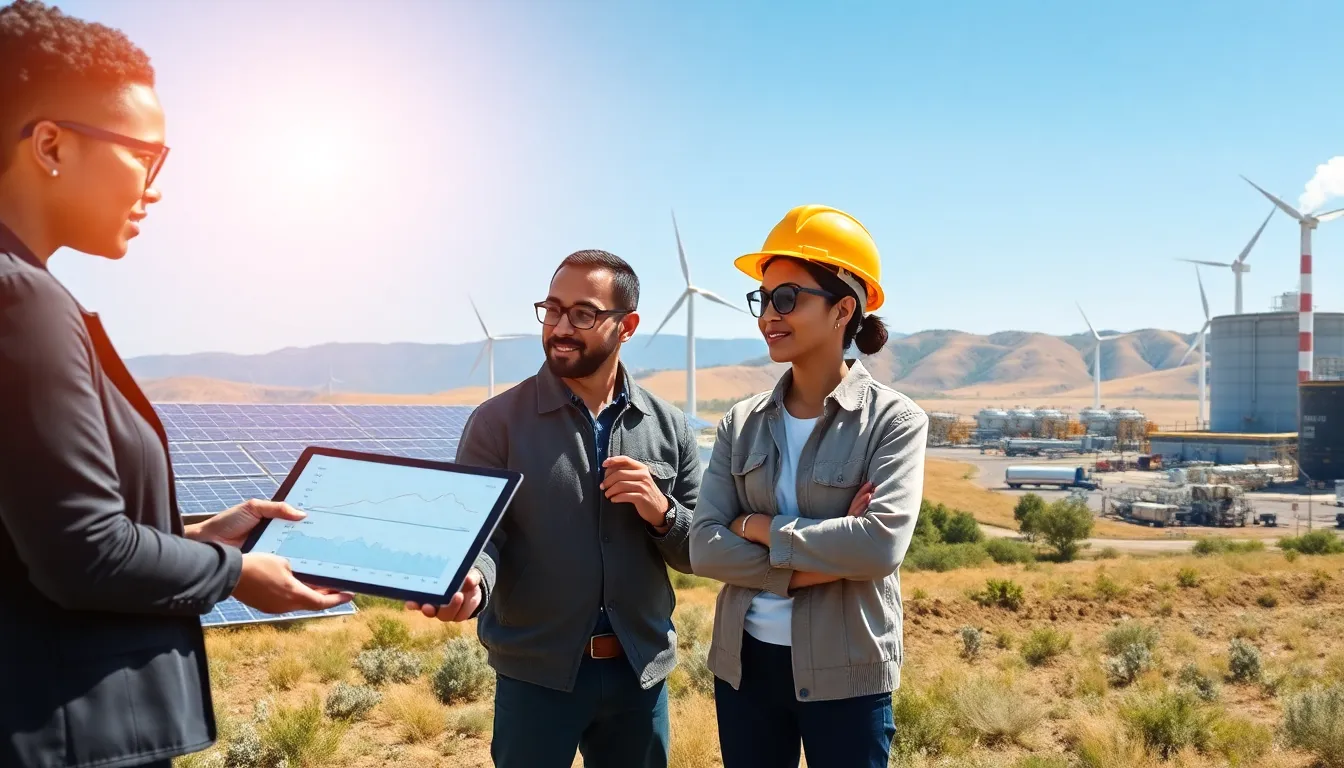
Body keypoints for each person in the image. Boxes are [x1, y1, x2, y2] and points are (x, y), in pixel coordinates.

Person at [0, 3, 352, 766]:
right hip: (68, 736)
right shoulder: (21, 299)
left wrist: (191, 538)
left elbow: (32, 535)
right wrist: (236, 572)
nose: (155, 188)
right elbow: (83, 553)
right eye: (144, 156)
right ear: (51, 145)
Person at [408, 250, 701, 768]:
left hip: (641, 674)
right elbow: (480, 536)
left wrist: (661, 512)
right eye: (552, 310)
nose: (561, 327)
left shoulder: (670, 426)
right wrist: (471, 579)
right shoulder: (496, 423)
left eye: (583, 314)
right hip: (537, 679)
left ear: (626, 326)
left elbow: (699, 550)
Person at [688, 204, 928, 768]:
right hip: (744, 668)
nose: (769, 313)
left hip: (848, 672)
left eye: (787, 298)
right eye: (763, 299)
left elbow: (878, 547)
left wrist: (755, 527)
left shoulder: (894, 422)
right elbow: (703, 545)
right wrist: (828, 551)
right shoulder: (739, 421)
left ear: (844, 308)